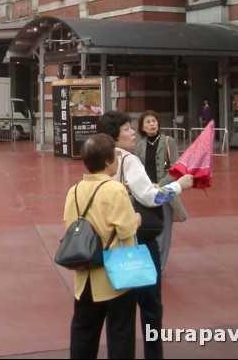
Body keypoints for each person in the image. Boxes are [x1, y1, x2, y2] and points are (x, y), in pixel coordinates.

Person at [96, 111, 193, 360]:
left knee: (119, 310)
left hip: (111, 242)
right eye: (127, 129)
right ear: (114, 135)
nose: (132, 133)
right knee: (150, 306)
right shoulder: (129, 160)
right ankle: (153, 354)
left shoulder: (100, 160)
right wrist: (177, 187)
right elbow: (150, 197)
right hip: (139, 242)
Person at [66, 133, 139, 359]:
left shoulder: (74, 190)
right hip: (116, 275)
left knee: (83, 332)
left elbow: (70, 226)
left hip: (85, 275)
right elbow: (127, 230)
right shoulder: (114, 189)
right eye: (115, 156)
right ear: (108, 162)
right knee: (120, 332)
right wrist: (137, 219)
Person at [134, 110, 188, 272]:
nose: (152, 125)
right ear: (142, 127)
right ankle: (146, 260)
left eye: (154, 121)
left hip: (164, 191)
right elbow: (137, 168)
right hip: (145, 192)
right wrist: (145, 185)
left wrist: (161, 184)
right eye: (148, 122)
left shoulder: (168, 141)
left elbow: (175, 167)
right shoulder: (139, 144)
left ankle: (159, 266)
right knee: (145, 227)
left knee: (164, 230)